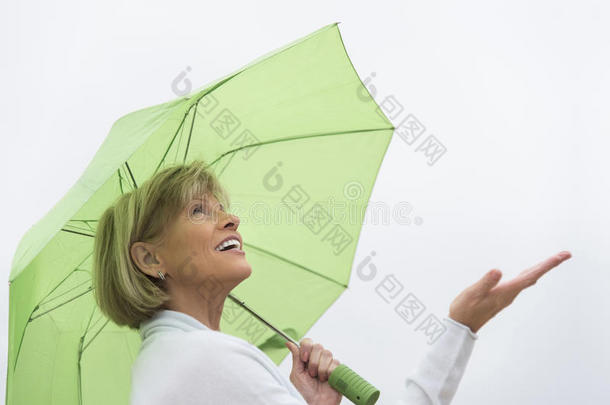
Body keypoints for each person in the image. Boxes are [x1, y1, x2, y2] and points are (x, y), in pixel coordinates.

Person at [92, 160, 572, 405]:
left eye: (223, 208)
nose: (231, 220)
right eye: (199, 211)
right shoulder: (207, 358)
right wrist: (461, 327)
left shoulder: (164, 364)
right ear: (150, 258)